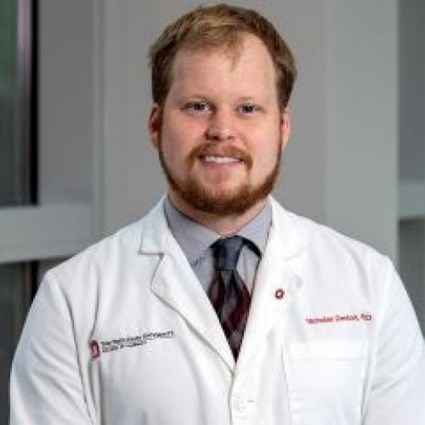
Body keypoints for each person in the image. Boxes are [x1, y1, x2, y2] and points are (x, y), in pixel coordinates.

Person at [10, 4, 425, 425]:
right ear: (155, 125)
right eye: (197, 106)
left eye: (247, 109)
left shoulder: (371, 285)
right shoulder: (73, 300)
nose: (222, 130)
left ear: (282, 129)